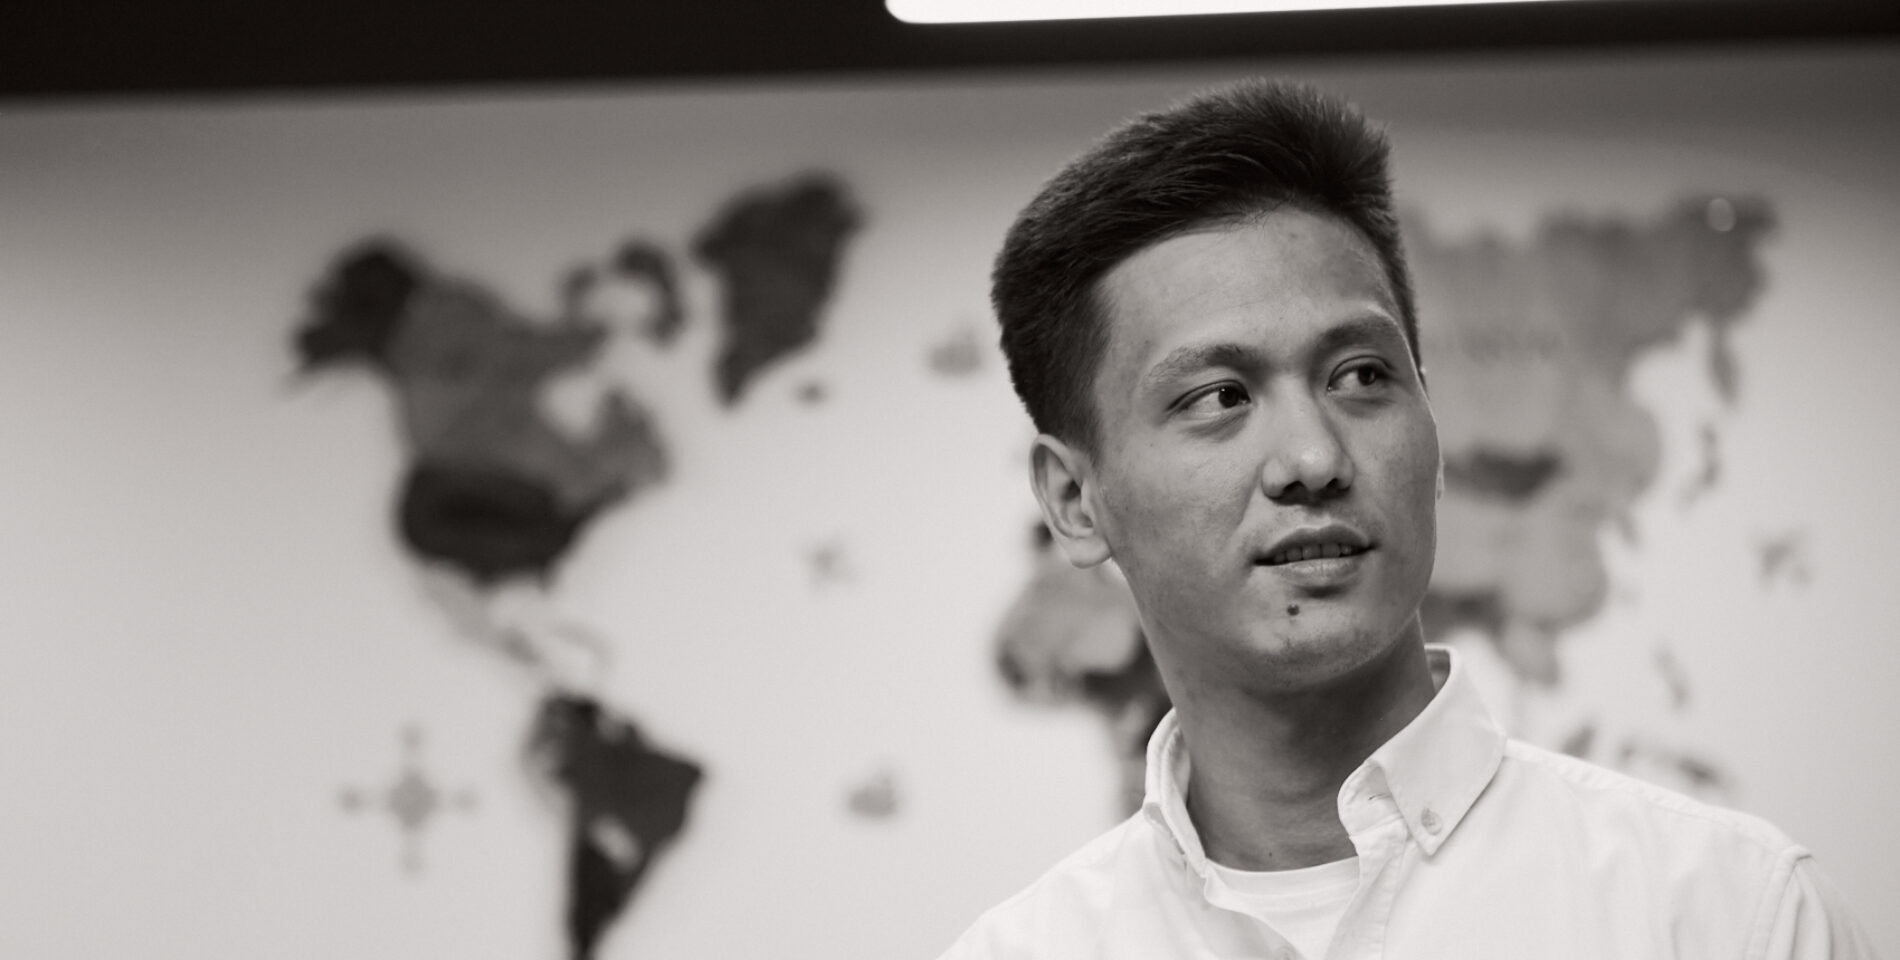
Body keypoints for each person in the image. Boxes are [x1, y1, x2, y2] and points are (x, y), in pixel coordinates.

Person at [940, 79, 1877, 960]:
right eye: (1220, 396)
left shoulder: (1727, 914)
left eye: (1361, 376)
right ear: (1074, 500)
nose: (1314, 459)